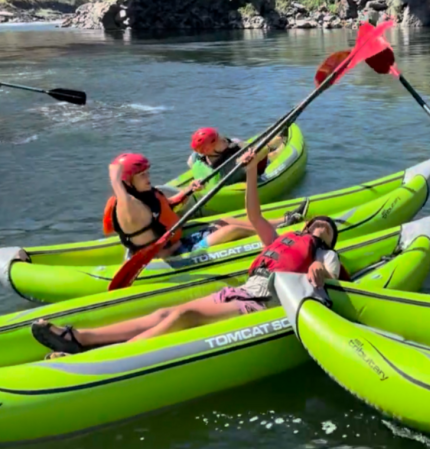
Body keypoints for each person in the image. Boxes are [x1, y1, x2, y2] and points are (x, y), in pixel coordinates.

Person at [33, 149, 341, 358]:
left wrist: (320, 272)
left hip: (263, 303)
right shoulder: (278, 241)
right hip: (240, 292)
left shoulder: (324, 254)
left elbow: (329, 275)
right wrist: (249, 172)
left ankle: (101, 357)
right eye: (317, 223)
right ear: (305, 227)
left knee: (185, 316)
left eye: (327, 228)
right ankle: (81, 338)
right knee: (164, 314)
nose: (321, 227)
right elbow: (254, 215)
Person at [103, 152, 263, 258]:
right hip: (176, 256)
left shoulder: (147, 195)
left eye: (147, 173)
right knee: (232, 230)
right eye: (141, 175)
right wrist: (116, 180)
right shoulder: (130, 209)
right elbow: (124, 198)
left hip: (181, 243)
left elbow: (166, 207)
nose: (148, 178)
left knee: (224, 221)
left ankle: (275, 225)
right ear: (128, 182)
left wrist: (188, 191)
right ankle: (269, 238)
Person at [187, 127, 285, 185]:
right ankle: (277, 149)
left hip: (228, 163)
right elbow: (256, 154)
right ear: (208, 150)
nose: (223, 139)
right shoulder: (232, 166)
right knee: (269, 151)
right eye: (219, 140)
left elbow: (190, 162)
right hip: (249, 172)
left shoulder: (197, 157)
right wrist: (271, 145)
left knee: (237, 143)